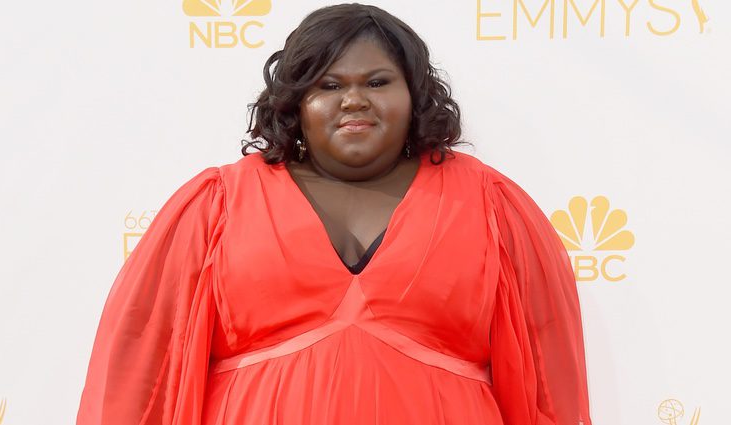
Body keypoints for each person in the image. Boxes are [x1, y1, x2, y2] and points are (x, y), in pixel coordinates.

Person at [76, 3, 592, 424]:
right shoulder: (215, 204)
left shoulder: (492, 206)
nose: (354, 100)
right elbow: (142, 379)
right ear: (296, 102)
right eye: (328, 85)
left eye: (377, 82)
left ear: (414, 96)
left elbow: (548, 389)